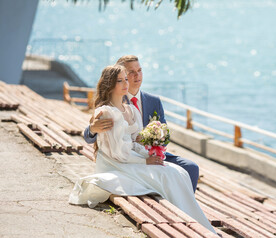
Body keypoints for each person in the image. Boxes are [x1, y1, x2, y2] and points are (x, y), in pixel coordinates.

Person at [69, 65, 216, 233]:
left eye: (126, 79)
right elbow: (117, 152)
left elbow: (135, 142)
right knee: (167, 175)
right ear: (110, 84)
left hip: (132, 158)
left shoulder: (130, 110)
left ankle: (191, 222)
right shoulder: (106, 113)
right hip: (116, 163)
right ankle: (184, 224)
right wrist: (145, 160)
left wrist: (149, 154)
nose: (126, 82)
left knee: (179, 171)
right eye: (120, 80)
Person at [83, 55, 200, 192]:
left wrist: (151, 141)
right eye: (131, 72)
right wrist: (92, 129)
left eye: (139, 70)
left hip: (149, 153)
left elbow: (165, 135)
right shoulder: (115, 100)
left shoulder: (153, 101)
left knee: (191, 168)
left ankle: (183, 207)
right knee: (164, 176)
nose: (136, 75)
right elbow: (88, 136)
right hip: (127, 158)